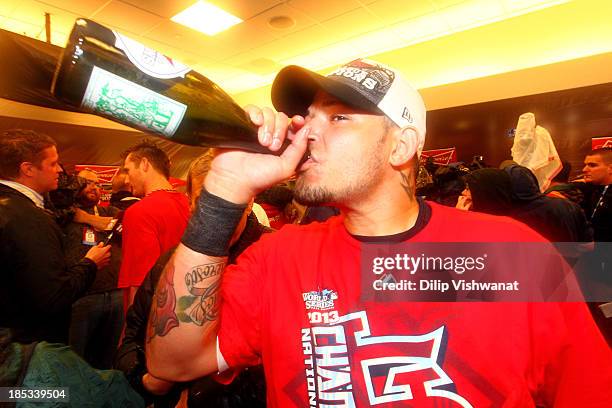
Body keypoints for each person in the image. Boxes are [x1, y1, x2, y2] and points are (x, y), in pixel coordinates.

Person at [146, 60, 611, 406]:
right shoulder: (280, 257)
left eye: (338, 117)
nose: (305, 133)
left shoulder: (509, 252)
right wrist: (224, 192)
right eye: (308, 117)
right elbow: (173, 362)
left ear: (400, 146)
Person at [115, 151, 269, 407]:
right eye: (207, 200)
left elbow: (287, 353)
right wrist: (147, 380)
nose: (220, 212)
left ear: (250, 201)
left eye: (231, 198)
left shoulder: (276, 256)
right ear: (190, 203)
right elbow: (133, 334)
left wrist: (202, 390)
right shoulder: (171, 262)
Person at [0, 129, 110, 344]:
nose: (59, 170)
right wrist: (90, 264)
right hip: (29, 345)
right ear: (28, 169)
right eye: (53, 163)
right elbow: (54, 297)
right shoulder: (28, 218)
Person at [117, 141, 190, 311]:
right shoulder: (191, 205)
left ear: (144, 164)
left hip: (156, 317)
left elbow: (140, 281)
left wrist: (131, 333)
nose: (127, 180)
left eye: (128, 171)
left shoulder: (138, 212)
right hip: (187, 310)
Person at [63, 169, 124, 369]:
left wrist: (91, 219)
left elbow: (121, 225)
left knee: (108, 358)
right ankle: (71, 398)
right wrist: (83, 217)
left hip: (114, 294)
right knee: (74, 357)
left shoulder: (110, 212)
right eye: (87, 182)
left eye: (98, 184)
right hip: (82, 297)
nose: (94, 188)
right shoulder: (65, 214)